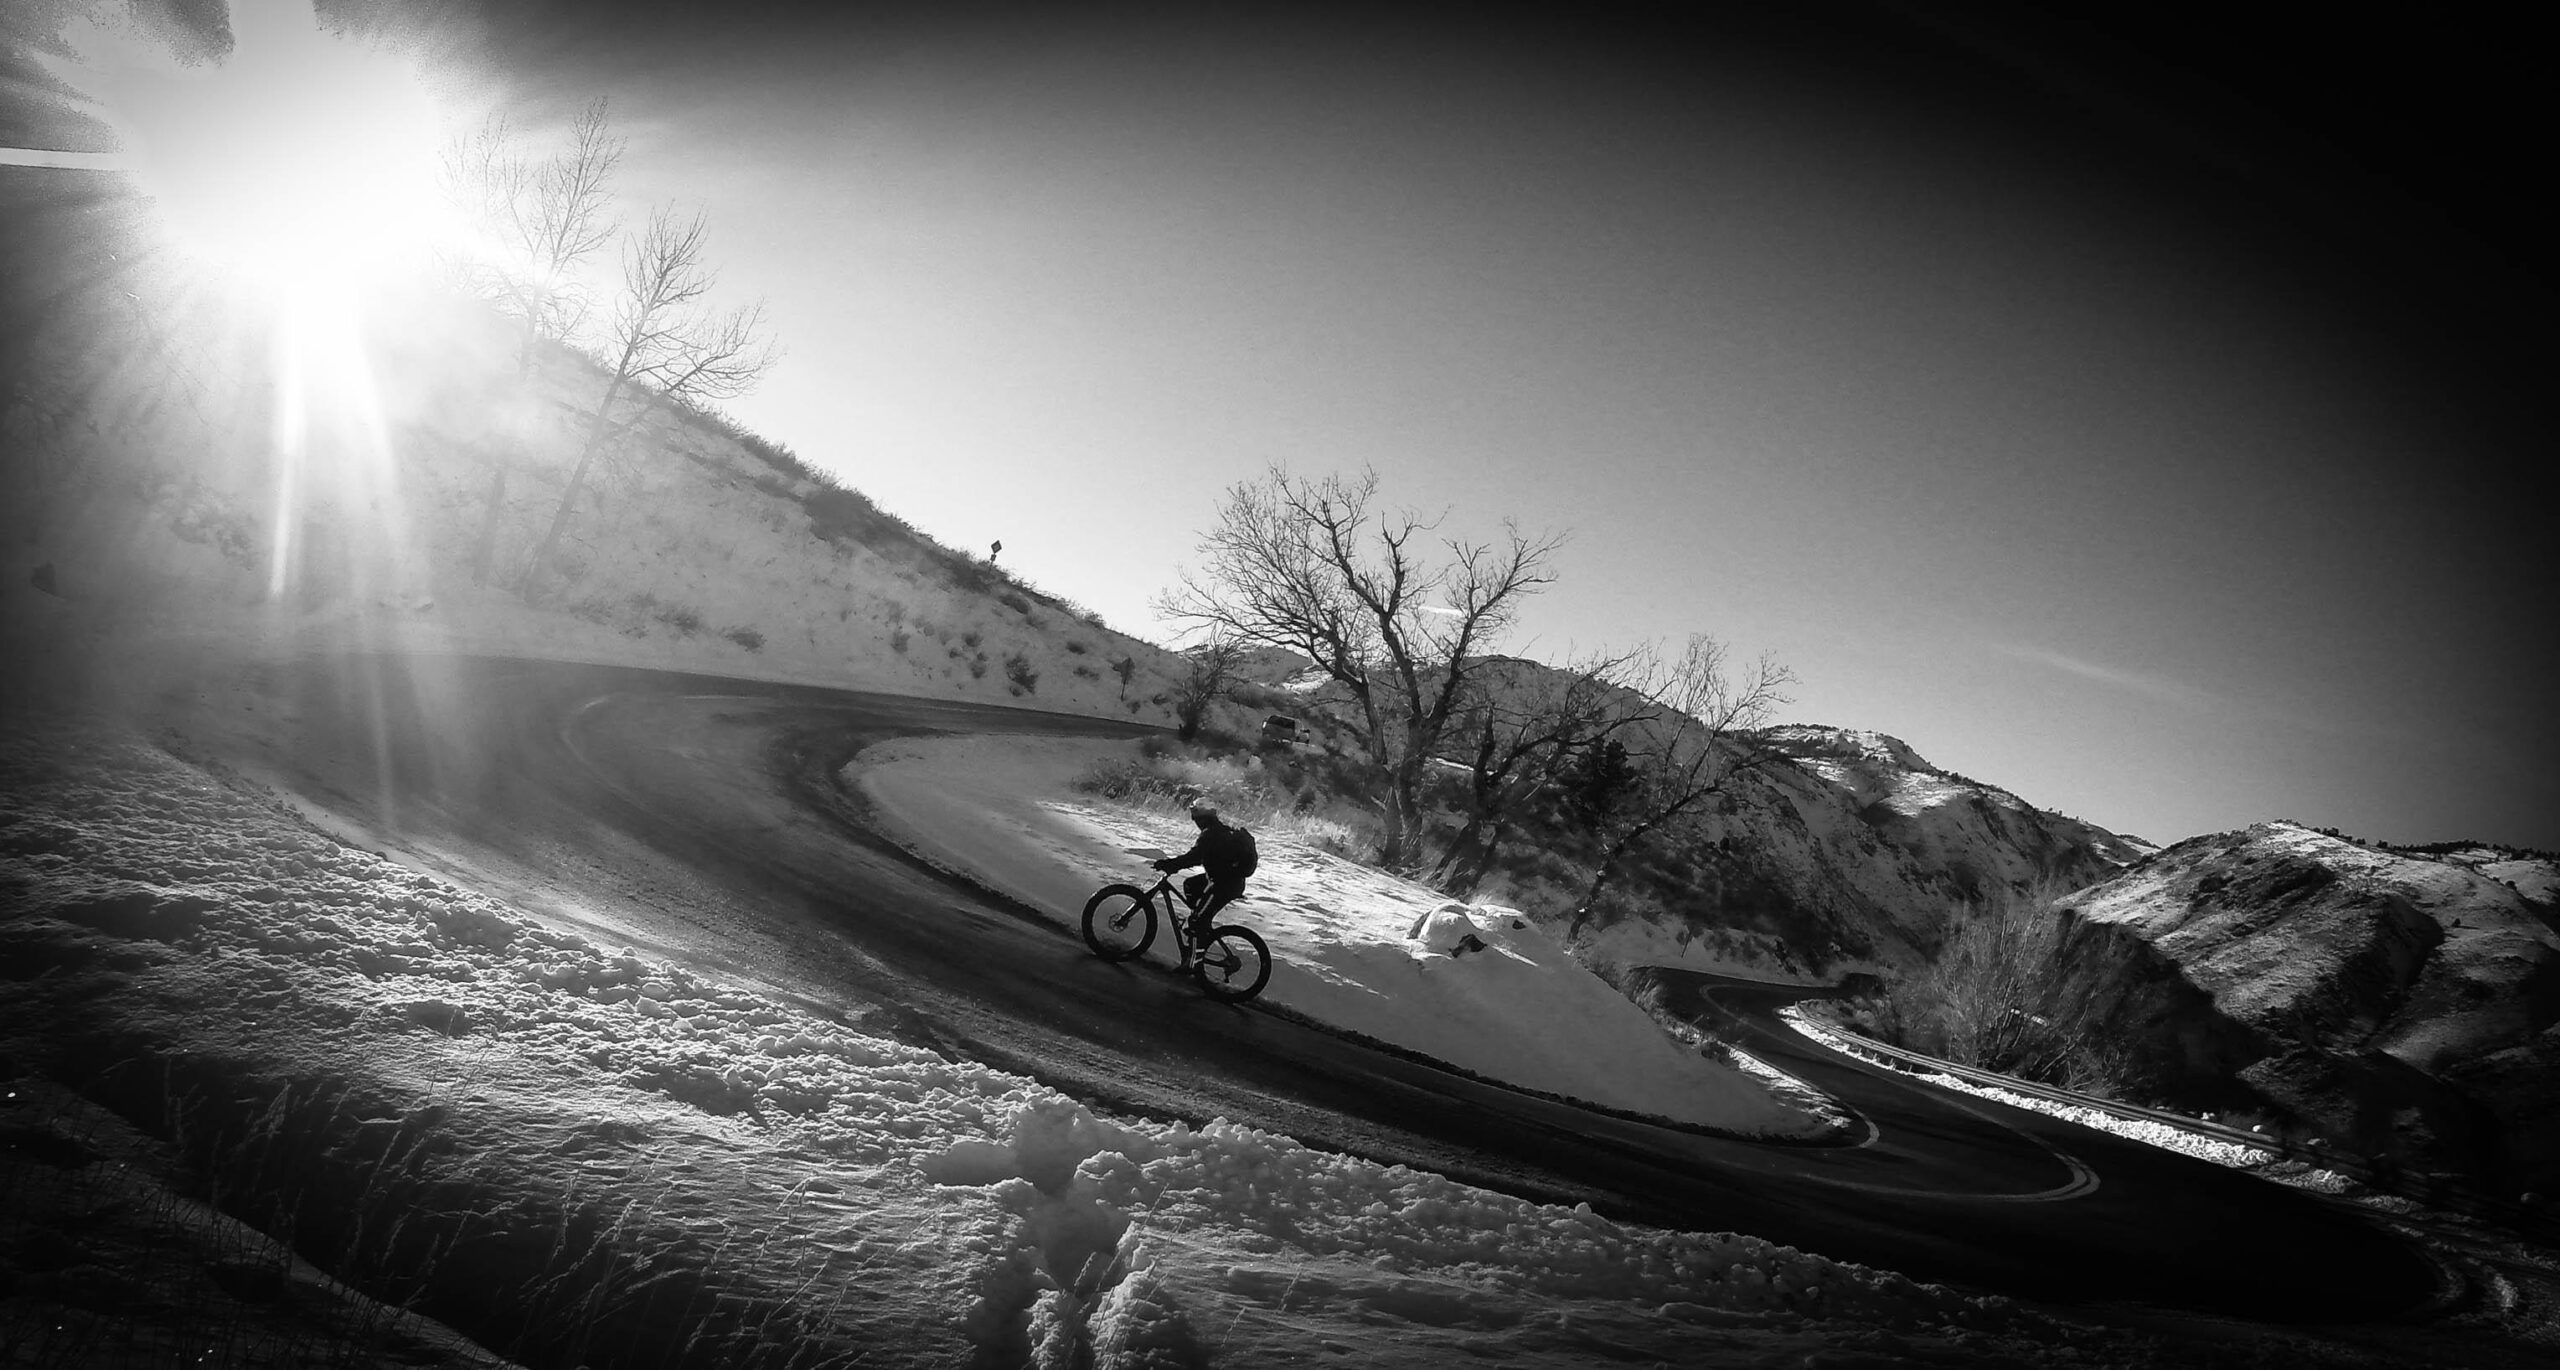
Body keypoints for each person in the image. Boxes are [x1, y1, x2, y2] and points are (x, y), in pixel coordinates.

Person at [1153, 801, 1258, 946]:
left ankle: (1194, 965)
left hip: (1224, 885)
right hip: (1225, 879)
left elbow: (1194, 858)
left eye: (1195, 818)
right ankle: (1201, 922)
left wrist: (1169, 864)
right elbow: (1198, 857)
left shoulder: (1211, 834)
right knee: (1190, 885)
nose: (1194, 822)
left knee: (1197, 922)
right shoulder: (1219, 830)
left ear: (1202, 819)